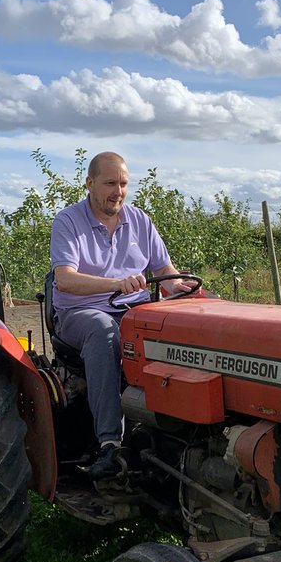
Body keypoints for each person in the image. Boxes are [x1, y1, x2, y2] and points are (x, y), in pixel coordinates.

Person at [50, 151, 190, 480]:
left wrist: (189, 291)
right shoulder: (68, 221)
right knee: (104, 330)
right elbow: (65, 279)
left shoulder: (139, 220)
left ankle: (179, 436)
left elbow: (166, 272)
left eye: (124, 183)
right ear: (89, 183)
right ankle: (110, 444)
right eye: (110, 183)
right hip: (80, 312)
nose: (118, 191)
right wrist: (117, 283)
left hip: (134, 311)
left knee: (183, 327)